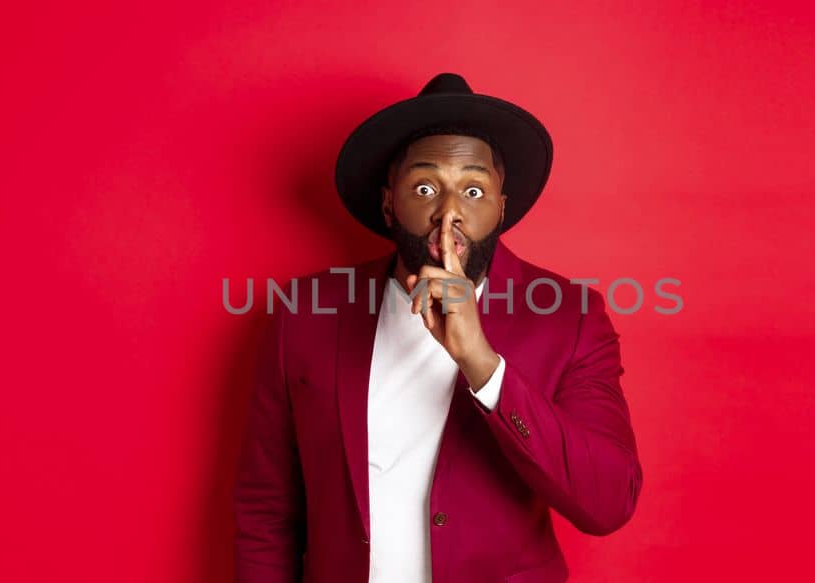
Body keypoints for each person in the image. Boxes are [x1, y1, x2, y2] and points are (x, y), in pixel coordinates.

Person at [234, 72, 642, 583]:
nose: (449, 213)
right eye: (425, 187)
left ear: (501, 209)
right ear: (389, 204)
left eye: (473, 190)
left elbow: (607, 503)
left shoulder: (570, 317)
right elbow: (267, 510)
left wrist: (483, 365)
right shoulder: (305, 314)